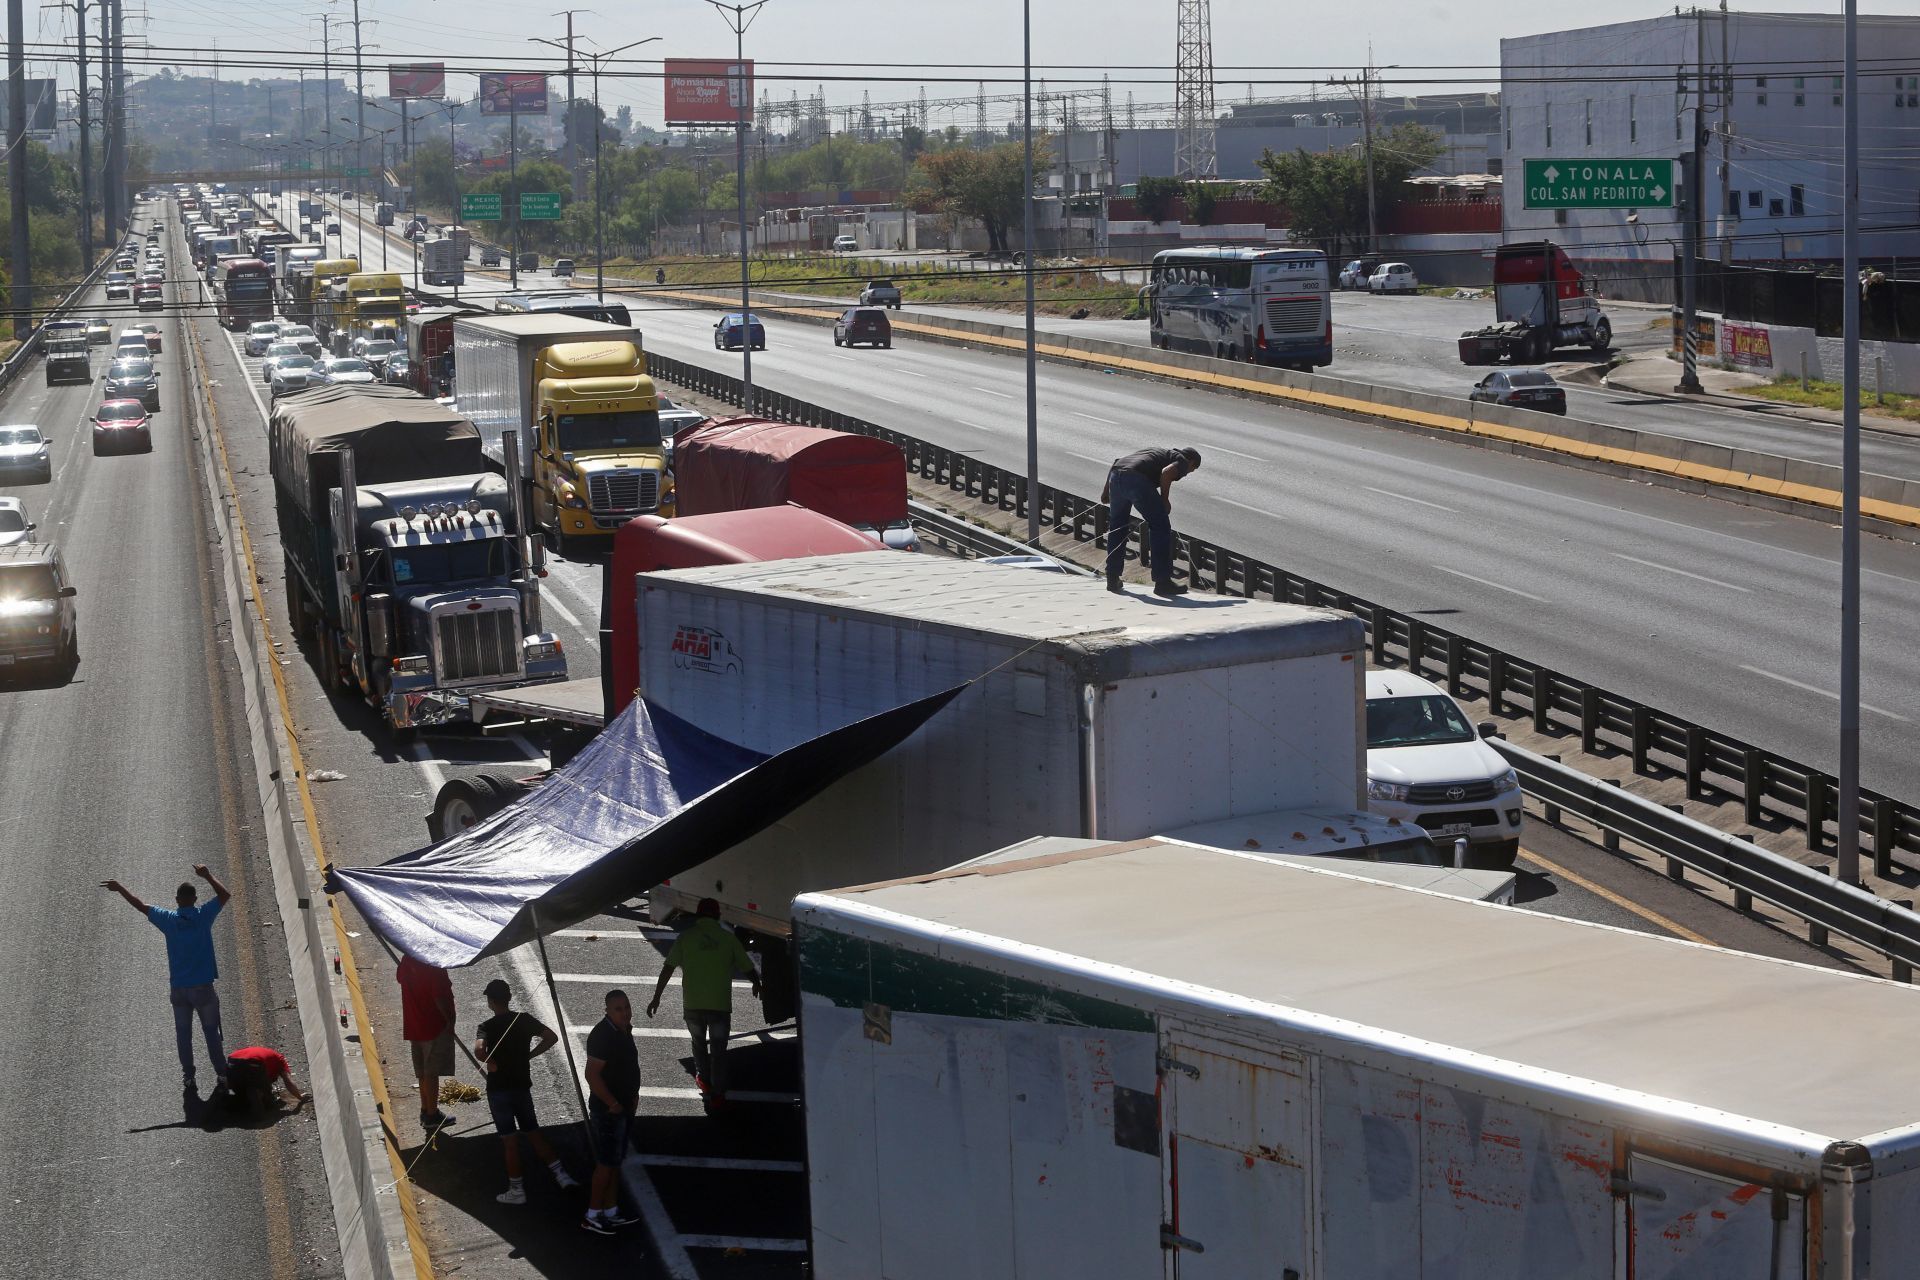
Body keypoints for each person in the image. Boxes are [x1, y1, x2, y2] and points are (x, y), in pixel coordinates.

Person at [102, 865, 232, 1092]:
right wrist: (207, 875)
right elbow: (225, 895)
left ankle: (189, 1077)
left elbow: (141, 906)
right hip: (203, 988)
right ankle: (222, 1074)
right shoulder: (203, 917)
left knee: (183, 1034)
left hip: (179, 990)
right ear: (194, 899)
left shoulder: (169, 921)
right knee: (210, 1032)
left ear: (177, 900)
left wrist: (120, 887)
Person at [646, 899, 759, 1110]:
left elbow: (668, 968)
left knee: (698, 1044)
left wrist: (656, 997)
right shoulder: (728, 939)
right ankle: (718, 1094)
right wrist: (756, 983)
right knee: (718, 1051)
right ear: (717, 917)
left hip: (693, 1005)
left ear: (698, 916)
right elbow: (747, 965)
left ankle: (703, 1080)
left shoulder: (686, 938)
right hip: (720, 1006)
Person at [474, 978, 578, 1205]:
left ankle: (517, 1190)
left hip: (498, 1091)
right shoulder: (524, 1020)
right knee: (533, 1132)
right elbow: (551, 1037)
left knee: (509, 1141)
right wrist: (530, 1055)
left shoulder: (486, 1027)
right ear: (509, 998)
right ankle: (562, 1175)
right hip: (522, 1087)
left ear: (491, 1002)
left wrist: (490, 1062)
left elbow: (479, 1050)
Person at [1101, 446, 1202, 598]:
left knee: (1117, 527)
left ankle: (1112, 578)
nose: (1187, 474)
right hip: (1136, 480)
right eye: (1191, 470)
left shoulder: (1156, 451)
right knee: (1160, 527)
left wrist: (1105, 491)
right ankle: (1163, 583)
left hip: (1116, 476)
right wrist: (1164, 499)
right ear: (1191, 461)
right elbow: (1166, 473)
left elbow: (1117, 462)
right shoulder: (1181, 460)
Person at [581, 989, 640, 1236]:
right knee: (605, 1164)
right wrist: (613, 1103)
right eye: (618, 1009)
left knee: (615, 1163)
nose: (624, 1012)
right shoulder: (603, 1035)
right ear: (607, 1010)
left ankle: (611, 1210)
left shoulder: (624, 1030)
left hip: (622, 1108)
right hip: (608, 1111)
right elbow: (591, 1074)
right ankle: (592, 1215)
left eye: (626, 1007)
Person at [396, 954, 457, 1132]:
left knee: (422, 1071)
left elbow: (401, 977)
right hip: (432, 1025)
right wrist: (449, 1021)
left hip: (415, 1024)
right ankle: (432, 1114)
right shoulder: (433, 965)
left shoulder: (408, 959)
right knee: (431, 1072)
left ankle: (425, 1109)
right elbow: (439, 997)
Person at [224, 1044, 306, 1118]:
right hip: (254, 1063)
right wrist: (300, 1098)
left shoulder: (267, 1055)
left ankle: (229, 1101)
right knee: (267, 1098)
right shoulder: (280, 1060)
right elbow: (288, 1082)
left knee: (238, 1085)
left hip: (232, 1061)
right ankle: (257, 1107)